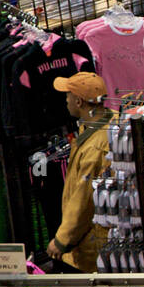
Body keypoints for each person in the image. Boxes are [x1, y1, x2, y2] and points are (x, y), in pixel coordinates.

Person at [46, 73, 112, 272]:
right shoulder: (105, 121)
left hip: (91, 244)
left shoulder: (95, 148)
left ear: (79, 101)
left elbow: (84, 199)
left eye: (68, 95)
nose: (65, 100)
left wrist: (62, 240)